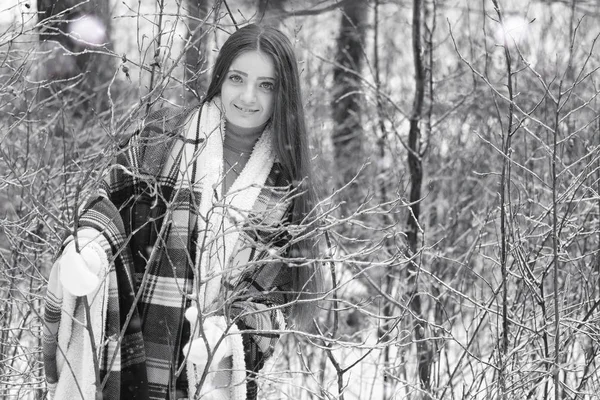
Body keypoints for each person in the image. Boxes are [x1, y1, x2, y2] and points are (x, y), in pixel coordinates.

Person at [43, 23, 321, 400]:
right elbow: (105, 200)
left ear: (283, 93)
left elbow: (277, 305)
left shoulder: (287, 192)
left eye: (266, 85)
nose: (248, 96)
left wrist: (232, 337)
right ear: (221, 77)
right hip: (130, 361)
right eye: (237, 78)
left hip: (210, 379)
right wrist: (90, 248)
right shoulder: (158, 142)